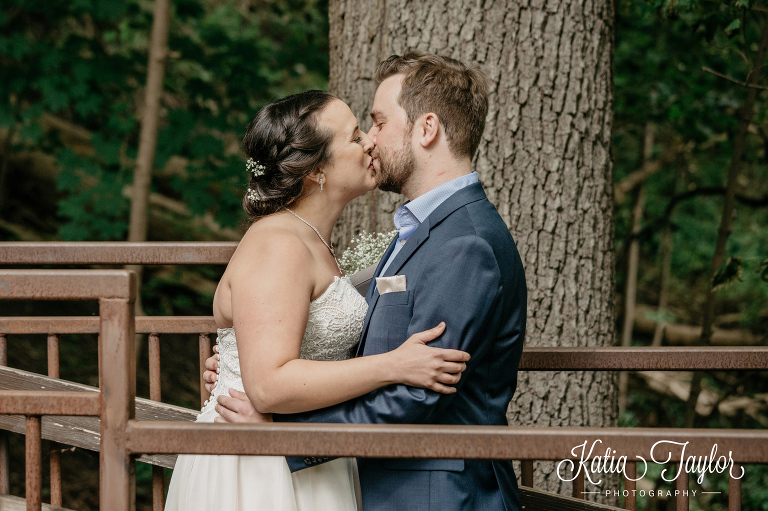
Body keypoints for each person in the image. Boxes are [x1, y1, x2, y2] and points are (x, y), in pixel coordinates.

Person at [206, 52, 527, 511]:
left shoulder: (465, 243)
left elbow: (418, 391)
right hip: (347, 480)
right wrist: (240, 369)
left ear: (427, 128)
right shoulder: (419, 230)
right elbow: (367, 346)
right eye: (360, 133)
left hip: (436, 495)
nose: (371, 140)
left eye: (375, 123)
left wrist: (284, 432)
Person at [165, 89, 471, 511]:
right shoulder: (279, 246)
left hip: (302, 453)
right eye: (354, 136)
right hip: (257, 466)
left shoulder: (312, 242)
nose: (369, 142)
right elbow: (269, 385)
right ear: (316, 171)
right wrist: (393, 365)